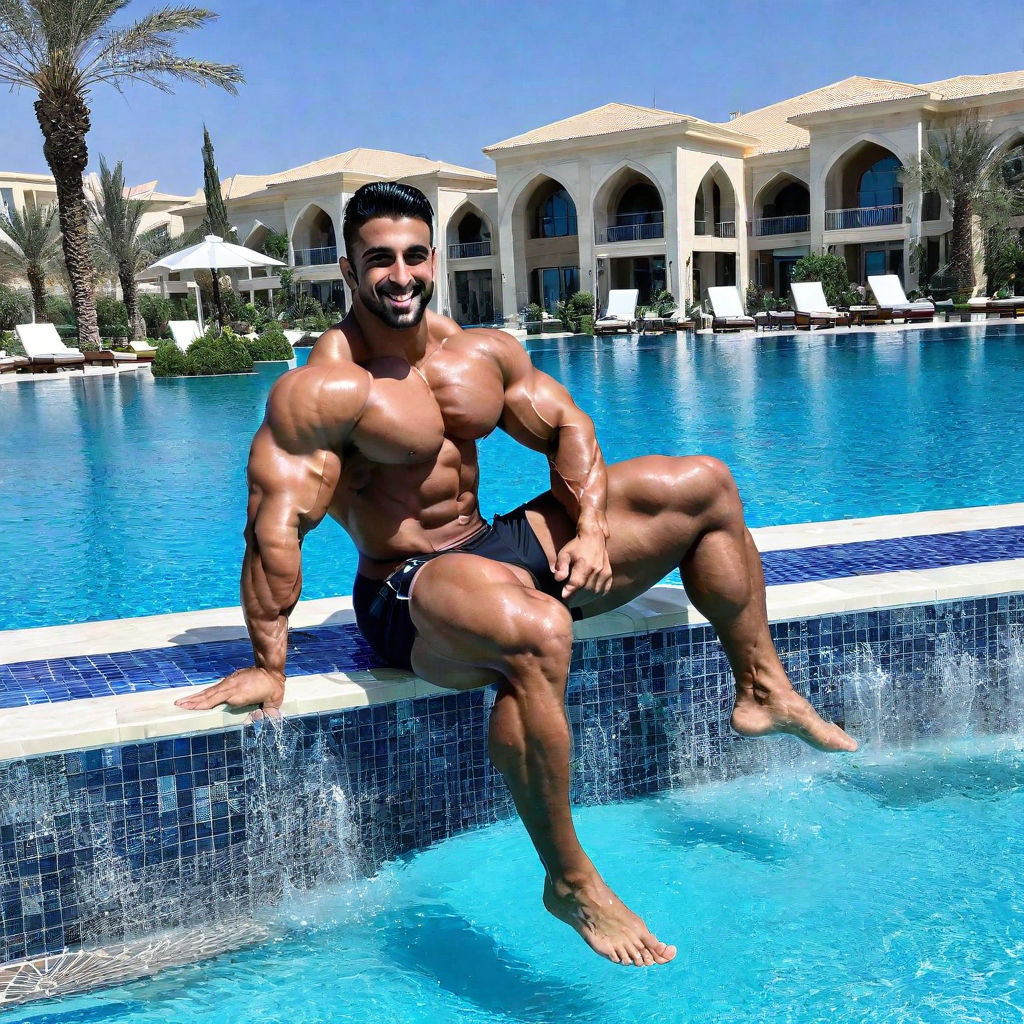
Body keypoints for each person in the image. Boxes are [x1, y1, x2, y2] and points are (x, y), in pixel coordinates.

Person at [176, 181, 857, 968]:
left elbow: (569, 425)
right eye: (379, 261)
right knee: (538, 630)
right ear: (348, 268)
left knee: (703, 483)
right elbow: (274, 519)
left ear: (431, 257)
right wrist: (270, 661)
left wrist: (593, 532)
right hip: (408, 586)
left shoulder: (475, 353)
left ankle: (762, 686)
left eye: (412, 255)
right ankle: (568, 878)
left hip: (487, 543)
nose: (399, 275)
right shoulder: (330, 386)